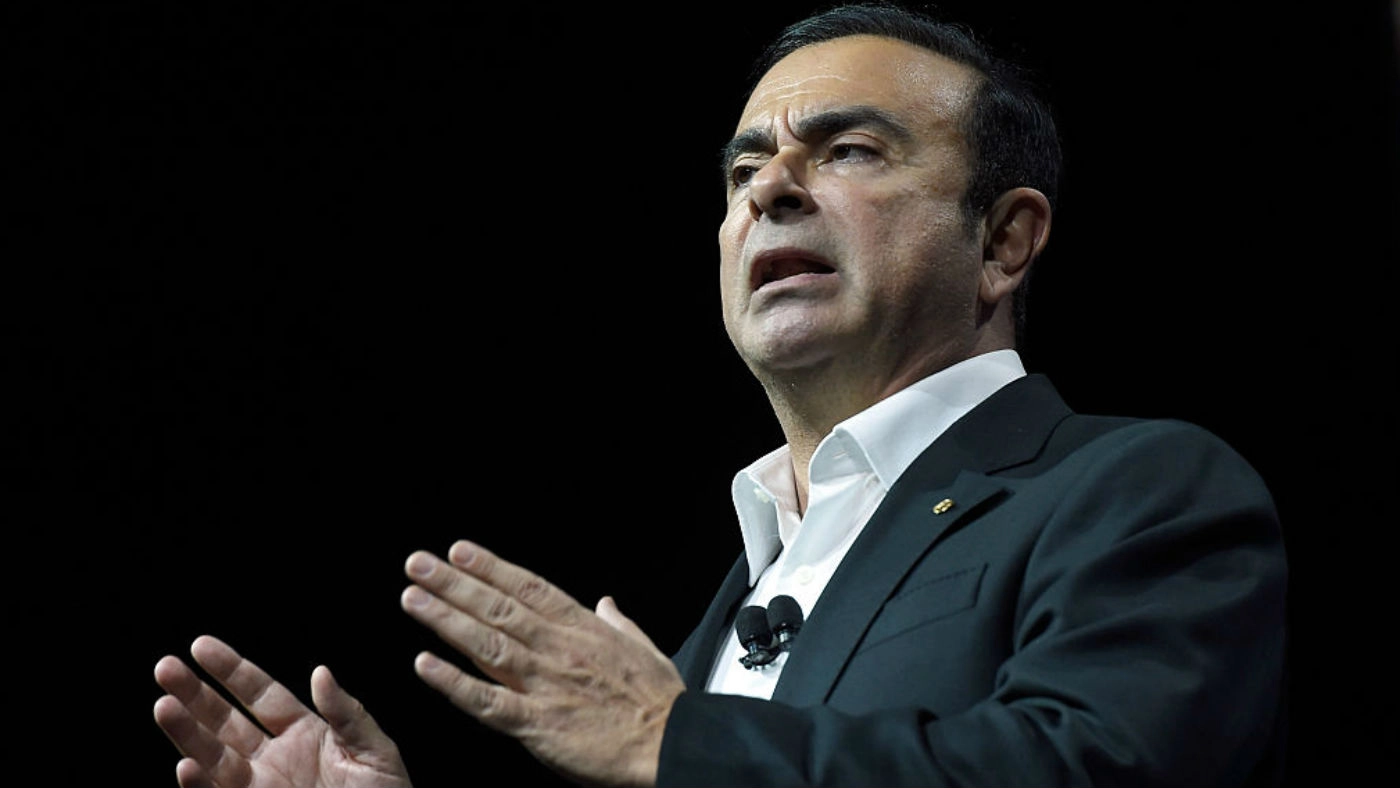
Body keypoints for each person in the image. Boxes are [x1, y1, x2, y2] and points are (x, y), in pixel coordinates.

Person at [152, 2, 1289, 786]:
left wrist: (672, 738)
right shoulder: (732, 595)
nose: (769, 191)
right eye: (744, 170)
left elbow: (1091, 767)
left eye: (847, 150)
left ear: (1002, 241)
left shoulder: (1138, 488)